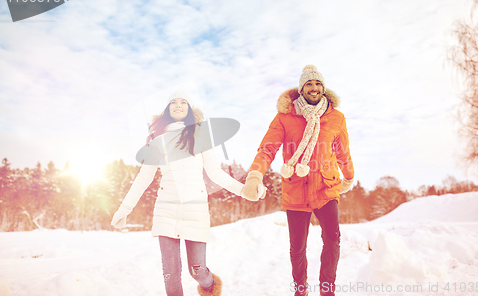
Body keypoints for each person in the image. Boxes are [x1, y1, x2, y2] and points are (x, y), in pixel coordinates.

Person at [111, 90, 261, 296]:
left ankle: (210, 287)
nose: (178, 105)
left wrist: (244, 191)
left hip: (195, 209)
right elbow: (143, 177)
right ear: (167, 109)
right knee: (170, 274)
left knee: (197, 270)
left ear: (190, 109)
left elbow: (215, 173)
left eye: (183, 102)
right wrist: (124, 209)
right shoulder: (157, 139)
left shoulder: (200, 136)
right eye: (173, 102)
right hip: (166, 209)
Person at [241, 65, 355, 296]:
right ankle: (300, 291)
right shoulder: (285, 117)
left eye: (318, 84)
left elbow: (343, 151)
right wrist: (255, 174)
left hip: (326, 187)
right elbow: (268, 148)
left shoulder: (336, 117)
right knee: (297, 248)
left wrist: (349, 176)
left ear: (323, 88)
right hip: (296, 189)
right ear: (301, 89)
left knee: (332, 240)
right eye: (309, 84)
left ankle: (327, 291)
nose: (314, 88)